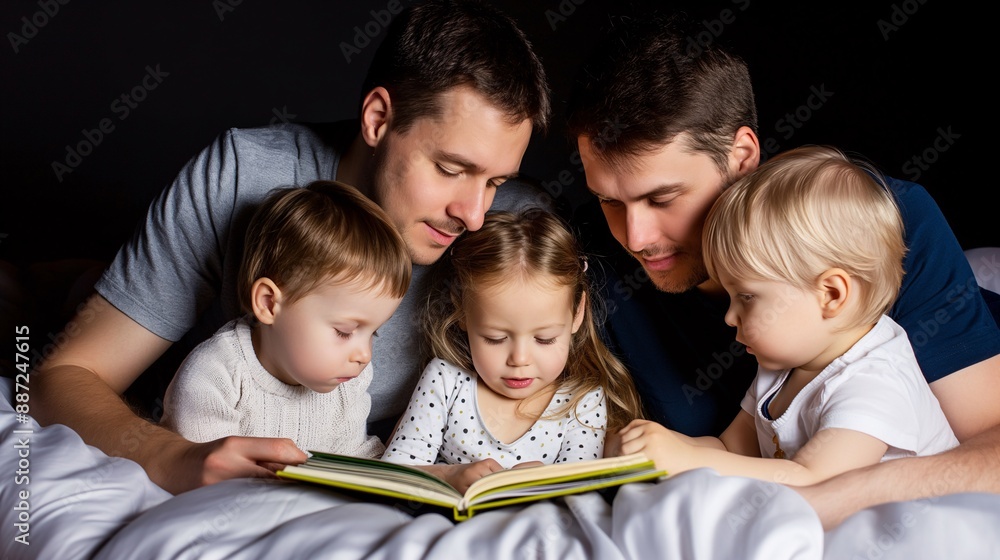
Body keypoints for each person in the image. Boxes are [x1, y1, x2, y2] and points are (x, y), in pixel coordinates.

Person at [32, 0, 551, 494]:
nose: (474, 214)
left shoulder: (518, 230)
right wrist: (173, 456)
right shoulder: (243, 175)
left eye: (496, 182)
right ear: (377, 118)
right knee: (47, 304)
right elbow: (60, 377)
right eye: (450, 169)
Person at [566, 13, 1000, 528]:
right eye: (608, 201)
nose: (635, 238)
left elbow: (988, 445)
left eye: (663, 197)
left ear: (742, 155)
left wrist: (835, 495)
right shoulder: (588, 259)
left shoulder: (875, 226)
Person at [615, 145, 959, 485]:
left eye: (747, 297)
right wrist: (664, 450)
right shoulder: (784, 367)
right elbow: (729, 449)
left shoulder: (875, 382)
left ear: (831, 295)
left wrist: (690, 459)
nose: (729, 316)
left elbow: (814, 481)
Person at [381, 209, 643, 493]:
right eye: (495, 338)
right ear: (462, 311)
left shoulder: (582, 402)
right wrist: (449, 476)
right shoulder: (445, 381)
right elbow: (395, 472)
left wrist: (545, 483)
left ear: (577, 314)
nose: (519, 360)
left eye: (544, 339)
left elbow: (583, 494)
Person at [159, 181, 410, 459]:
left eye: (373, 333)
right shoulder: (217, 376)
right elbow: (208, 475)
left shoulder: (348, 382)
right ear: (268, 304)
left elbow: (353, 457)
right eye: (345, 331)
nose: (364, 355)